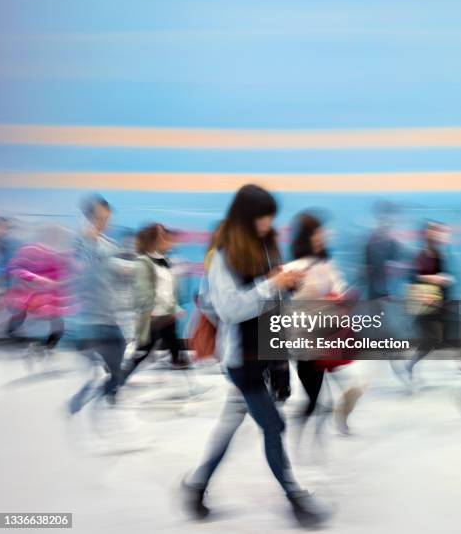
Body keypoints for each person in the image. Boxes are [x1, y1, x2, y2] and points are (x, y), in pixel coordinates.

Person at [182, 184, 328, 528]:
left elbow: (268, 299)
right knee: (273, 426)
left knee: (231, 423)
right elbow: (231, 309)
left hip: (267, 352)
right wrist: (271, 285)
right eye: (263, 218)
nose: (268, 225)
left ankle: (196, 485)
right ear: (246, 217)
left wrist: (285, 285)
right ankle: (295, 498)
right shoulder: (223, 254)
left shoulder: (265, 245)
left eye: (270, 218)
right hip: (241, 359)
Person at [288, 212, 363, 435]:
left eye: (322, 232)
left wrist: (343, 296)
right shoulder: (295, 267)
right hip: (307, 342)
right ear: (307, 236)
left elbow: (339, 287)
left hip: (329, 338)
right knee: (313, 401)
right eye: (318, 232)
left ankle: (338, 420)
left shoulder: (326, 264)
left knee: (354, 386)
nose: (323, 236)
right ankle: (292, 438)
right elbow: (298, 304)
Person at [68, 194, 134, 414]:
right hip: (89, 317)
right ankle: (106, 388)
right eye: (99, 218)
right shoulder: (80, 242)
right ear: (88, 217)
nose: (104, 223)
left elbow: (115, 272)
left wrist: (125, 271)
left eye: (107, 218)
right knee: (113, 356)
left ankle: (108, 387)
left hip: (107, 314)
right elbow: (79, 270)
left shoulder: (108, 245)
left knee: (119, 352)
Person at [121, 223, 187, 383]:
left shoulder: (164, 260)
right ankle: (117, 380)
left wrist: (174, 305)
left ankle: (191, 383)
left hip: (166, 316)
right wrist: (169, 307)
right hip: (153, 316)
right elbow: (145, 291)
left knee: (176, 351)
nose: (165, 239)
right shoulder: (143, 262)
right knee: (143, 353)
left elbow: (168, 288)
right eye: (161, 236)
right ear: (153, 239)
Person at [4, 224, 75, 353]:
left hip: (49, 295)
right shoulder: (32, 250)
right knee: (23, 313)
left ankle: (47, 347)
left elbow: (65, 273)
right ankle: (15, 335)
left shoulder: (62, 254)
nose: (56, 238)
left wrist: (63, 282)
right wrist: (36, 279)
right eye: (54, 235)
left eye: (58, 236)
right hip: (32, 292)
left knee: (57, 324)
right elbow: (15, 268)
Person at [405, 221, 454, 381]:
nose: (438, 234)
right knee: (433, 339)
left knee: (441, 337)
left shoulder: (440, 253)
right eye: (434, 231)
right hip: (426, 302)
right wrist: (435, 279)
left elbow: (444, 276)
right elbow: (413, 277)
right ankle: (411, 364)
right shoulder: (421, 254)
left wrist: (444, 280)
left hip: (439, 301)